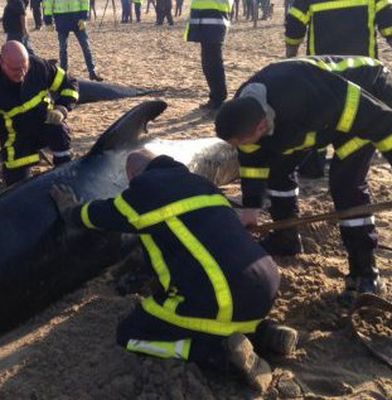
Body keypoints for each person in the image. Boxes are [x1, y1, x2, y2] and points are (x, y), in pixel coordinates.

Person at [50, 150, 298, 392]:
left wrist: (70, 209)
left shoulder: (145, 191)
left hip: (221, 296)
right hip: (266, 285)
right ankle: (267, 334)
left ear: (134, 176)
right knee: (221, 310)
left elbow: (99, 216)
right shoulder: (203, 184)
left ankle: (216, 355)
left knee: (131, 334)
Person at [214, 55, 392, 301]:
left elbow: (383, 123)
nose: (243, 147)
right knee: (279, 166)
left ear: (262, 127)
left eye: (244, 142)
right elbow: (253, 161)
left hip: (366, 94)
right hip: (307, 120)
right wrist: (251, 207)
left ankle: (365, 273)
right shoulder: (244, 112)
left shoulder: (312, 97)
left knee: (346, 183)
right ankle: (285, 239)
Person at [285, 0, 392, 178]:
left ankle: (313, 166)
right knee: (360, 120)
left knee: (320, 118)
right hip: (362, 72)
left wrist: (290, 55)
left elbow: (295, 25)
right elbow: (389, 24)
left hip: (324, 72)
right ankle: (352, 169)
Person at [0, 41, 79, 189]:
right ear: (2, 64)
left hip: (45, 125)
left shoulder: (39, 66)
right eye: (15, 69)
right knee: (16, 187)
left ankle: (65, 173)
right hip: (16, 140)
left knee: (58, 130)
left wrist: (61, 109)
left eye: (24, 67)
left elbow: (69, 84)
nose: (21, 73)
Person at [185, 0, 234, 111]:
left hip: (213, 20)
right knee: (209, 64)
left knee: (212, 64)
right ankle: (216, 98)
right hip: (208, 21)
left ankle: (218, 99)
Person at [43, 0, 104, 81]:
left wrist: (83, 17)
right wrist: (48, 20)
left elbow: (85, 1)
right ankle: (63, 73)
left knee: (86, 46)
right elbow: (48, 2)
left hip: (77, 18)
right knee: (63, 48)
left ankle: (92, 72)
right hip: (61, 18)